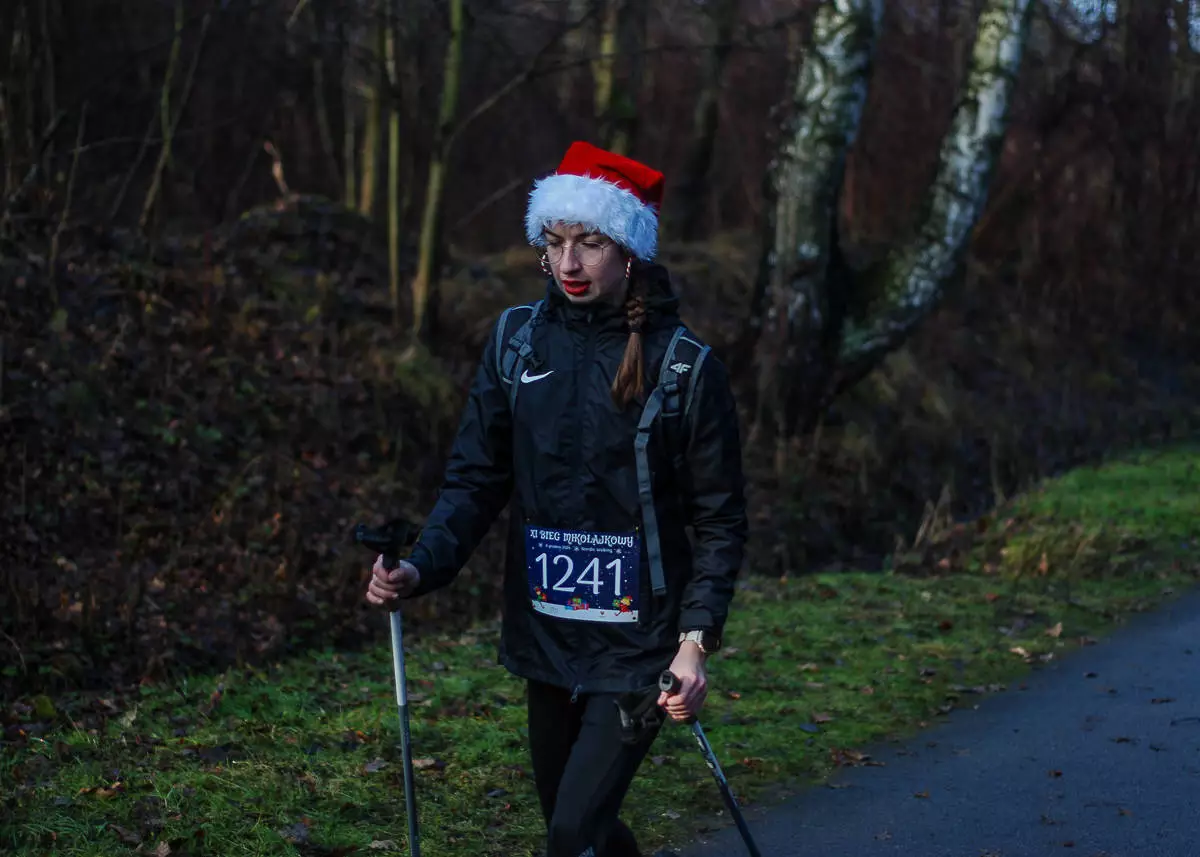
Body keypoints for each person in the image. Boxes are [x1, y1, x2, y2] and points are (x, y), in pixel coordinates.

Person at [365, 141, 747, 857]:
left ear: (629, 248)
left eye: (590, 243)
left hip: (640, 646)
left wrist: (694, 644)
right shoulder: (518, 341)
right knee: (580, 828)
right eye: (555, 242)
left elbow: (720, 521)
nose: (569, 265)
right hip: (546, 636)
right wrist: (420, 567)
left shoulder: (685, 366)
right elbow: (476, 478)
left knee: (570, 836)